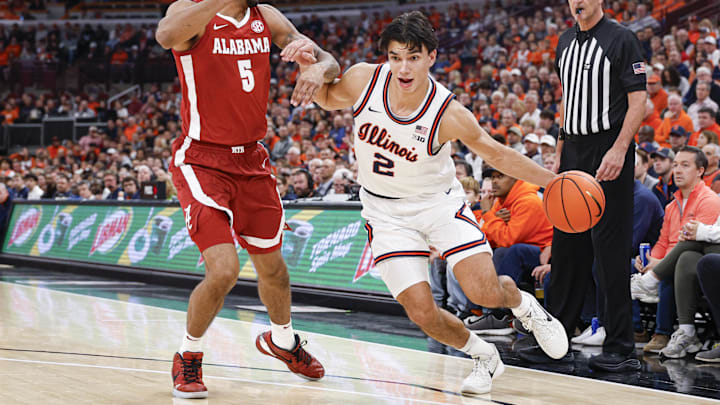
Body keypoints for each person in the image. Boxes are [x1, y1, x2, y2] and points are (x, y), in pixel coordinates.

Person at [310, 11, 567, 396]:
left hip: (437, 204)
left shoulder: (448, 113)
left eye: (413, 57)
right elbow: (328, 97)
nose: (403, 67)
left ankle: (522, 304)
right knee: (421, 312)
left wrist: (554, 180)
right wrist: (310, 69)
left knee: (483, 291)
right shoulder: (366, 79)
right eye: (395, 57)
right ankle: (483, 355)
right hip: (384, 212)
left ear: (431, 56)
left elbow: (496, 154)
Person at [156, 0, 339, 398]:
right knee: (223, 271)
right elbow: (165, 36)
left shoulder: (266, 16)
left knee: (275, 271)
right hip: (202, 159)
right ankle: (188, 355)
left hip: (253, 161)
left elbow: (330, 62)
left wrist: (316, 65)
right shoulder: (192, 11)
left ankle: (284, 343)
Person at [537, 0, 647, 372]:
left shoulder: (622, 39)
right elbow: (568, 99)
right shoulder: (564, 41)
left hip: (609, 147)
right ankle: (557, 339)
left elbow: (638, 101)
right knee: (566, 246)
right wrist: (559, 151)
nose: (577, 2)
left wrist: (620, 149)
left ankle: (620, 345)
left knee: (609, 251)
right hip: (574, 149)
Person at [631, 147, 720, 358]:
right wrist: (651, 259)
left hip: (700, 261)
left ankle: (660, 330)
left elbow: (702, 242)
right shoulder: (672, 205)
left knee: (683, 255)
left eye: (685, 165)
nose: (677, 170)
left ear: (700, 171)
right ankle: (684, 332)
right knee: (683, 258)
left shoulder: (708, 199)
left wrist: (659, 265)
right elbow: (662, 242)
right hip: (682, 259)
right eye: (677, 165)